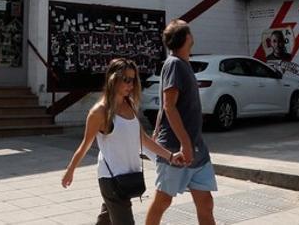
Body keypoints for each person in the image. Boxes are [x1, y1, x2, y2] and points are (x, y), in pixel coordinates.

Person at [62, 58, 183, 224]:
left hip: (127, 176)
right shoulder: (100, 112)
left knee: (106, 219)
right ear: (113, 78)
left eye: (132, 80)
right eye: (126, 79)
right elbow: (85, 145)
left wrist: (170, 156)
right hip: (111, 180)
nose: (130, 85)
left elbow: (143, 139)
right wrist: (70, 170)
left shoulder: (130, 104)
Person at [147, 20, 216, 225]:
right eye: (190, 32)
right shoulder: (174, 64)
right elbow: (169, 105)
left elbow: (164, 106)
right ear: (187, 38)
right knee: (163, 200)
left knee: (205, 201)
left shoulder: (182, 63)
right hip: (177, 148)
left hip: (197, 149)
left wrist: (157, 128)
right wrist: (184, 144)